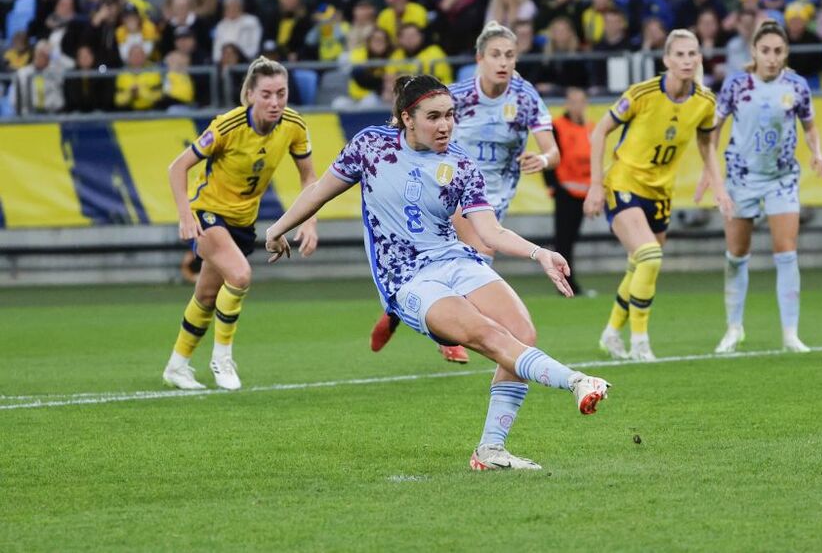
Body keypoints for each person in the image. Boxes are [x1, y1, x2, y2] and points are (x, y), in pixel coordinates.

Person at [265, 74, 610, 470]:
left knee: (523, 332)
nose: (445, 124)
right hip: (408, 277)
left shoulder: (460, 164)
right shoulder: (371, 147)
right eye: (433, 117)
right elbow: (318, 191)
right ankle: (575, 381)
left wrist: (540, 254)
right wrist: (277, 230)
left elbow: (490, 231)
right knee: (487, 335)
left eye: (449, 115)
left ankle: (490, 451)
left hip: (455, 260)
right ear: (406, 118)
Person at [369, 21, 560, 363]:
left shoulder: (525, 97)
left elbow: (553, 151)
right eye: (495, 55)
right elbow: (411, 122)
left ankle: (398, 312)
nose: (503, 62)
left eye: (510, 55)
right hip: (452, 189)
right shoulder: (456, 97)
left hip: (494, 198)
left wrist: (542, 159)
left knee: (477, 260)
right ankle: (449, 334)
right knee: (474, 256)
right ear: (479, 59)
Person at [162, 57, 319, 391]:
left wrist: (310, 222)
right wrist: (184, 215)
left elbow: (310, 178)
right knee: (240, 275)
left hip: (243, 221)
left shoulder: (294, 125)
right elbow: (177, 167)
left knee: (206, 295)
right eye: (266, 94)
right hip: (207, 213)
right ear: (249, 94)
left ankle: (176, 366)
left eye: (281, 92)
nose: (275, 102)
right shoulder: (227, 126)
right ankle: (222, 359)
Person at [584, 29, 733, 361]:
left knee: (640, 264)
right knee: (649, 255)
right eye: (679, 54)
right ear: (666, 60)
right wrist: (596, 185)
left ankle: (611, 333)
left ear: (700, 59)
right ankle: (640, 342)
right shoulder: (643, 93)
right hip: (624, 183)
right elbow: (600, 131)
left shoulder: (705, 102)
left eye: (692, 54)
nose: (686, 60)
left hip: (661, 193)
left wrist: (718, 186)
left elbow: (707, 145)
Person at [704, 20, 822, 355]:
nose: (772, 58)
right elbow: (712, 130)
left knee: (786, 252)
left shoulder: (797, 86)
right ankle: (734, 328)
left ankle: (791, 334)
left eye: (778, 51)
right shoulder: (736, 85)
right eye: (766, 51)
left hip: (781, 178)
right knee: (736, 255)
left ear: (785, 53)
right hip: (741, 178)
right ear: (754, 52)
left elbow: (810, 127)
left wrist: (817, 154)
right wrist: (711, 171)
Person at [544, 87, 593, 295]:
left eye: (580, 101)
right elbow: (549, 155)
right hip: (565, 191)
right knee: (563, 240)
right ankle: (565, 285)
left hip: (584, 192)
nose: (577, 106)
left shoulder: (591, 128)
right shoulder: (557, 126)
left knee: (571, 239)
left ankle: (569, 283)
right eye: (573, 101)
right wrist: (553, 185)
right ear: (567, 104)